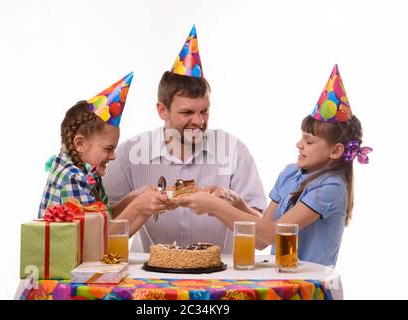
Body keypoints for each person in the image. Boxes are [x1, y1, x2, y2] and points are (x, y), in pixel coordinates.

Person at [174, 65, 372, 266]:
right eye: (301, 138)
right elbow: (261, 239)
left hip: (309, 287)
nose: (299, 144)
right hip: (282, 280)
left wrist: (216, 208)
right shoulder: (290, 174)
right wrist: (234, 202)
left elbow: (277, 235)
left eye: (309, 141)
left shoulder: (331, 187)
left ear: (336, 151)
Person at [103, 25, 267, 253]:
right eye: (187, 113)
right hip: (149, 278)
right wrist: (137, 204)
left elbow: (262, 241)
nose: (199, 121)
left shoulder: (235, 150)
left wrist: (222, 206)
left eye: (204, 111)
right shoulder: (130, 152)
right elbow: (101, 234)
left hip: (219, 279)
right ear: (162, 110)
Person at [38, 73, 169, 236]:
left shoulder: (85, 173)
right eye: (108, 149)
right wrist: (140, 207)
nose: (113, 157)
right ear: (80, 144)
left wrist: (132, 198)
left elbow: (100, 219)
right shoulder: (73, 180)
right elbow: (101, 242)